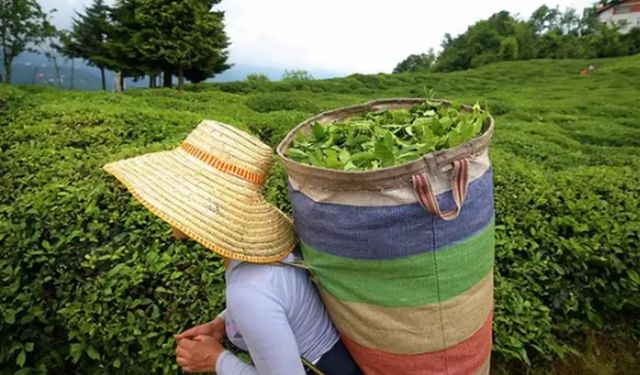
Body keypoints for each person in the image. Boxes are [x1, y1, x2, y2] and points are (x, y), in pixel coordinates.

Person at [103, 120, 361, 375]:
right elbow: (279, 302)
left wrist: (216, 361)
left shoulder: (248, 292)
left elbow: (259, 301)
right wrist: (222, 324)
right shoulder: (262, 262)